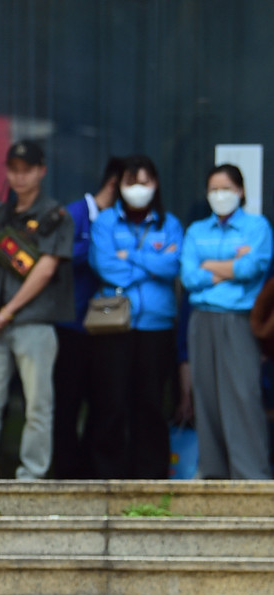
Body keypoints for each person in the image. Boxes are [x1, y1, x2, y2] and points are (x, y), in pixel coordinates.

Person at [0, 140, 74, 480]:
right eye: (13, 169)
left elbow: (45, 269)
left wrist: (7, 310)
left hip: (34, 322)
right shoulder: (0, 214)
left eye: (27, 170)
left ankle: (32, 475)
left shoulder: (54, 214)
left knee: (37, 405)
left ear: (41, 171)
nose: (19, 177)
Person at [86, 155, 184, 479]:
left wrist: (132, 256)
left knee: (152, 403)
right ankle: (109, 476)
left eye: (144, 182)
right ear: (120, 186)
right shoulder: (105, 222)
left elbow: (172, 267)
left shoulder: (169, 224)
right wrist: (152, 261)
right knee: (111, 401)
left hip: (155, 325)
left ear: (155, 185)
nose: (138, 189)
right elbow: (105, 265)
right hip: (113, 323)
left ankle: (151, 476)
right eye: (131, 182)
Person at [178, 163, 272, 479]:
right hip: (202, 318)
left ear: (241, 191)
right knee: (207, 396)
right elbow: (189, 278)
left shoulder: (256, 227)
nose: (220, 195)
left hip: (238, 319)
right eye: (214, 189)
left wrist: (212, 267)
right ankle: (213, 473)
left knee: (243, 396)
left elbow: (253, 268)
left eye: (226, 189)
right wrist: (231, 264)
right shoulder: (196, 230)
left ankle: (252, 474)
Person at [53, 157, 124, 478]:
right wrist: (100, 249)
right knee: (66, 404)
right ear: (114, 184)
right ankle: (67, 473)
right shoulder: (75, 214)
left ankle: (97, 472)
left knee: (104, 404)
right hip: (71, 325)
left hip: (107, 328)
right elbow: (60, 256)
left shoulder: (120, 221)